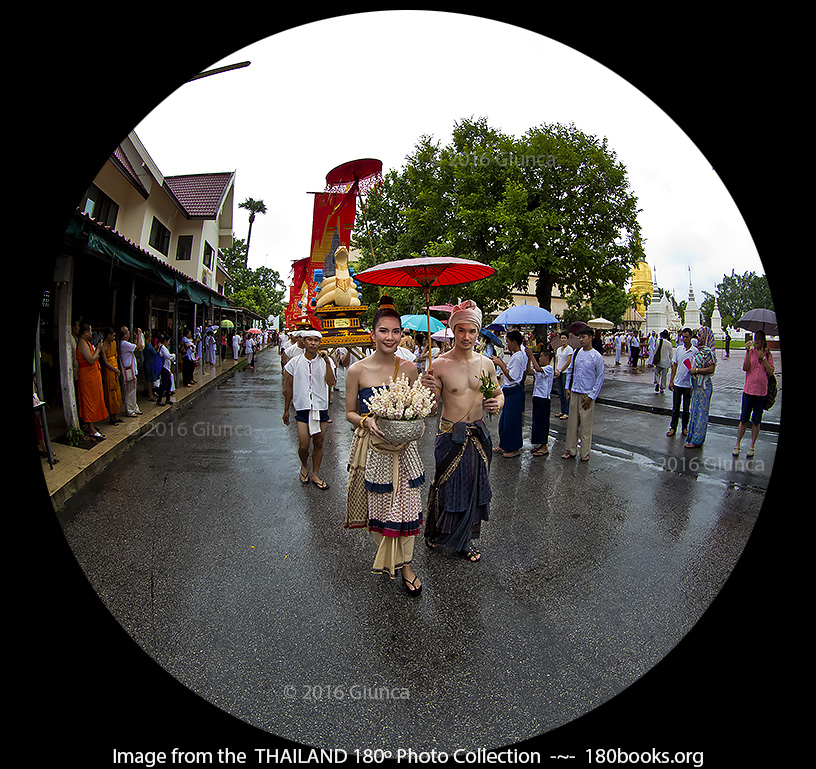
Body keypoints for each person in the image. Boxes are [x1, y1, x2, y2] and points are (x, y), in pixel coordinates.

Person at [344, 299, 427, 593]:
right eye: (383, 331)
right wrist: (366, 422)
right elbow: (350, 413)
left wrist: (420, 417)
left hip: (404, 452)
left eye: (395, 331)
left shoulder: (410, 369)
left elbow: (417, 408)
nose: (389, 337)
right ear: (372, 334)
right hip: (374, 451)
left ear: (401, 334)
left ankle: (406, 566)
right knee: (379, 509)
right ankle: (388, 556)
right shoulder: (357, 370)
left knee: (406, 508)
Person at [421, 300, 503, 563]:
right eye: (461, 331)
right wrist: (426, 387)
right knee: (447, 486)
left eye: (472, 331)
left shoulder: (486, 364)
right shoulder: (440, 365)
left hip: (478, 436)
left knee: (472, 488)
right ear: (453, 331)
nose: (466, 337)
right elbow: (430, 408)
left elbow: (499, 394)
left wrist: (497, 403)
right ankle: (436, 531)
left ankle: (464, 540)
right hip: (449, 436)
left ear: (478, 333)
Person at [283, 329, 335, 490]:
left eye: (316, 340)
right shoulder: (295, 362)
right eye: (309, 340)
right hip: (303, 408)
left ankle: (315, 474)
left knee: (319, 443)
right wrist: (286, 410)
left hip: (320, 408)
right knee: (304, 445)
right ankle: (305, 465)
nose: (313, 343)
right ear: (303, 342)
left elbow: (331, 382)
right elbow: (288, 387)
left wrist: (327, 362)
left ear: (320, 343)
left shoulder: (326, 361)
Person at [562, 325, 605, 461]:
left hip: (587, 395)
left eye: (584, 337)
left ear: (590, 338)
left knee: (585, 427)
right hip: (575, 392)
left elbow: (600, 378)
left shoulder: (596, 356)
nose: (581, 340)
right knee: (572, 425)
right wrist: (567, 387)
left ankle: (584, 452)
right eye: (580, 337)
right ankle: (570, 449)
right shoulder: (577, 353)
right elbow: (570, 370)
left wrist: (592, 396)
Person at [734, 329, 775, 458]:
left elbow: (770, 372)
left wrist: (763, 358)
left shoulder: (768, 355)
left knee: (756, 421)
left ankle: (752, 446)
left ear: (763, 341)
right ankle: (738, 444)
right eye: (755, 338)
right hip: (749, 390)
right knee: (744, 419)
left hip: (761, 392)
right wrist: (747, 352)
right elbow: (745, 368)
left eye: (759, 339)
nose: (756, 340)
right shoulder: (750, 353)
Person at [492, 329, 527, 457]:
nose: (507, 344)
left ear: (514, 342)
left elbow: (512, 376)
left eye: (508, 342)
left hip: (514, 391)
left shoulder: (518, 356)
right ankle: (504, 445)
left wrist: (501, 364)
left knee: (512, 421)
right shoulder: (516, 355)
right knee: (504, 420)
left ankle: (513, 448)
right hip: (509, 391)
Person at [685, 326, 717, 448]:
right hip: (697, 386)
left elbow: (711, 368)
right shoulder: (700, 351)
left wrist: (696, 370)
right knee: (694, 411)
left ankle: (697, 439)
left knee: (701, 413)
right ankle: (692, 436)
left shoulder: (709, 352)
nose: (699, 338)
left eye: (701, 335)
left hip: (704, 386)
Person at [75, 322, 109, 439]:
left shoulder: (86, 343)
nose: (91, 333)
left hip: (92, 375)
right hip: (87, 376)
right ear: (85, 333)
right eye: (90, 331)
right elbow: (90, 360)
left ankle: (92, 424)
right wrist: (98, 350)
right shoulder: (82, 343)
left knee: (94, 399)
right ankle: (91, 428)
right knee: (88, 400)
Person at [667, 328, 695, 437]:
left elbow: (695, 368)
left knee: (686, 409)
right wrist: (671, 380)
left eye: (686, 337)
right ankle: (673, 427)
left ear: (691, 337)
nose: (684, 339)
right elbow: (674, 365)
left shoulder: (694, 351)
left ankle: (685, 427)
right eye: (683, 337)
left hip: (688, 384)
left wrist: (693, 385)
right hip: (678, 383)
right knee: (675, 408)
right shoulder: (679, 349)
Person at [527, 345, 553, 456]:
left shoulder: (549, 368)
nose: (540, 358)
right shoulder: (540, 368)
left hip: (544, 398)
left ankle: (544, 446)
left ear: (547, 358)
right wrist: (529, 358)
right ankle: (538, 443)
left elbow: (538, 369)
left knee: (542, 422)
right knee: (536, 422)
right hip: (537, 396)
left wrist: (532, 355)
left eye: (541, 356)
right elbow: (529, 371)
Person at [119, 325, 144, 417]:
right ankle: (130, 410)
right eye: (128, 332)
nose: (129, 333)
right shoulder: (124, 344)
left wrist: (136, 337)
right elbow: (138, 347)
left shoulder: (125, 344)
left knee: (133, 391)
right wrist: (139, 334)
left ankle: (134, 407)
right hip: (128, 371)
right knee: (129, 391)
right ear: (125, 335)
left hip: (131, 370)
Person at [101, 327, 123, 424]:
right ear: (108, 335)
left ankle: (115, 416)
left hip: (115, 369)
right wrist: (115, 370)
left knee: (117, 394)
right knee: (110, 394)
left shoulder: (113, 344)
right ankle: (111, 417)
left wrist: (117, 370)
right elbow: (105, 362)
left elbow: (116, 358)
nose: (114, 337)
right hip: (109, 370)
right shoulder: (103, 346)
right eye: (113, 335)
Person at [553, 332, 573, 419]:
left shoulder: (569, 349)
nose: (563, 340)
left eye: (565, 338)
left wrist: (560, 370)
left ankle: (567, 411)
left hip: (565, 373)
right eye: (562, 338)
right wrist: (555, 370)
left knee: (565, 393)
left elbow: (568, 362)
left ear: (567, 339)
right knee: (560, 393)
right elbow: (556, 360)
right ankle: (562, 410)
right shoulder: (558, 349)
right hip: (558, 373)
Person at [155, 334, 175, 406]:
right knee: (164, 384)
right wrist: (173, 355)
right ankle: (159, 400)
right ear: (165, 341)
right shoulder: (162, 347)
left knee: (169, 384)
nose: (169, 343)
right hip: (164, 368)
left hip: (167, 368)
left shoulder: (165, 348)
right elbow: (168, 356)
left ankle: (167, 399)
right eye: (168, 341)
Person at [652, 329, 673, 393]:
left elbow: (656, 351)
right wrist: (671, 362)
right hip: (666, 362)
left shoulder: (659, 342)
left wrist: (654, 358)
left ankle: (657, 382)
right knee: (664, 376)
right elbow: (671, 354)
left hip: (659, 360)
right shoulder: (669, 343)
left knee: (657, 373)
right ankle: (662, 388)